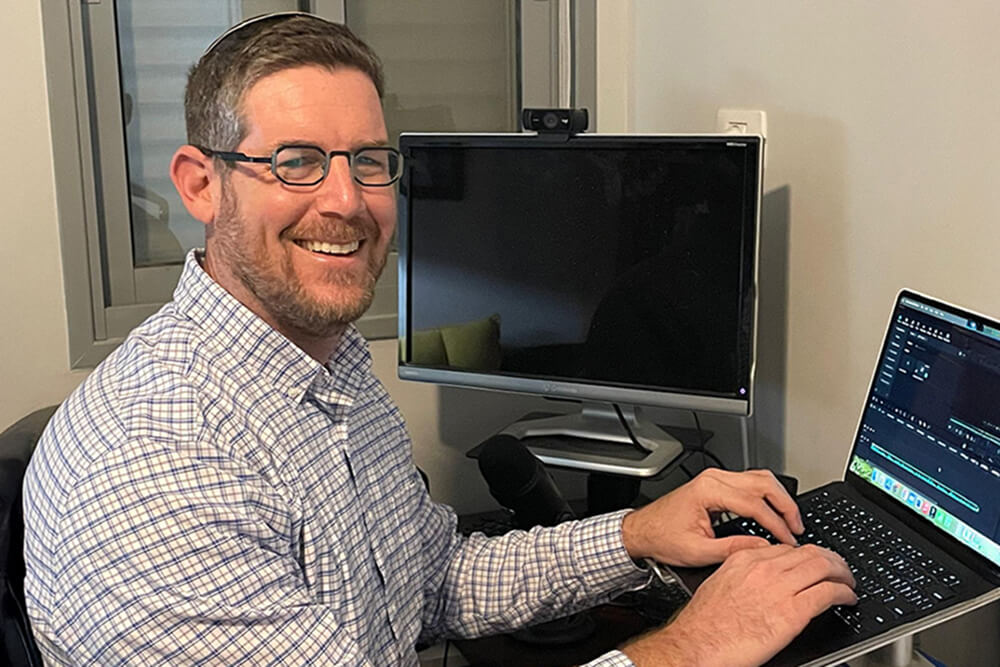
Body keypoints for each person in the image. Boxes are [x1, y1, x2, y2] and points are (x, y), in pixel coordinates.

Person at [22, 13, 855, 666]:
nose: (348, 201)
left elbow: (438, 580)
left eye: (370, 160)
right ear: (202, 185)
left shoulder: (331, 367)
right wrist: (695, 644)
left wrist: (637, 535)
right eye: (298, 161)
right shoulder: (153, 467)